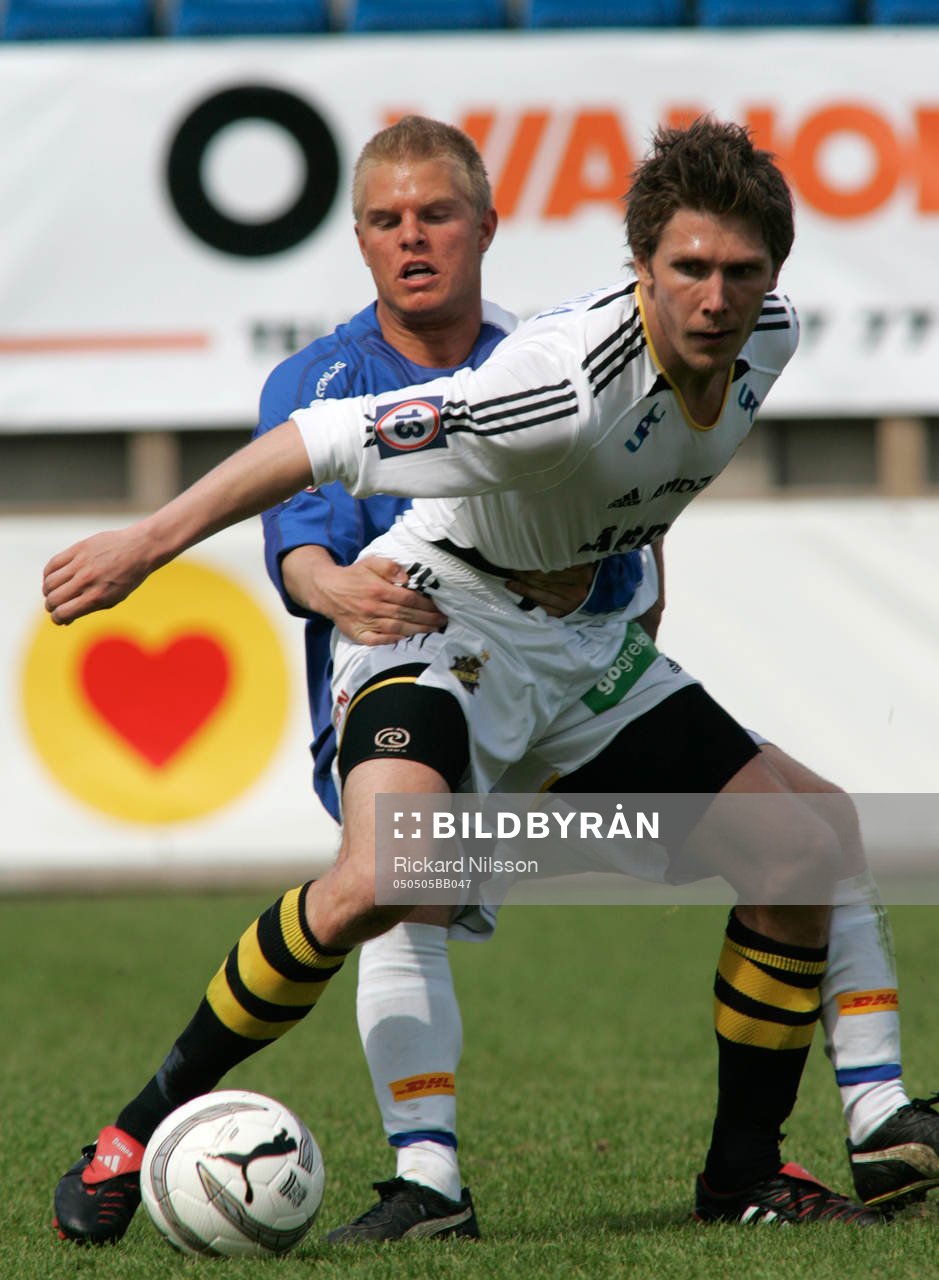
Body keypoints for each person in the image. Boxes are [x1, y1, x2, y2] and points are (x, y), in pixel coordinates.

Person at [44, 117, 922, 1240]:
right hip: (437, 613)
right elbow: (317, 437)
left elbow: (639, 480)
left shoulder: (772, 336)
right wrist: (143, 544)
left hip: (580, 647)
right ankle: (135, 1129)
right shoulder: (546, 387)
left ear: (776, 276)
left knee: (803, 845)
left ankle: (747, 1172)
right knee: (386, 878)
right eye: (688, 270)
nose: (715, 298)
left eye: (740, 272)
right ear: (641, 272)